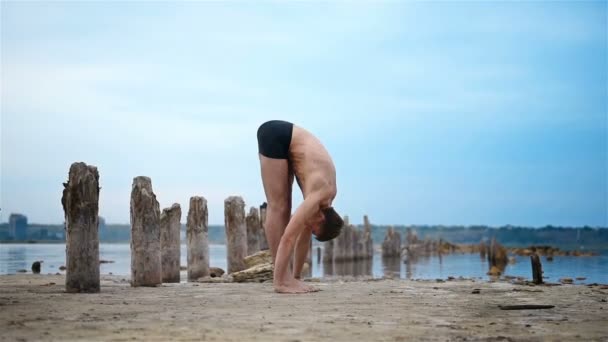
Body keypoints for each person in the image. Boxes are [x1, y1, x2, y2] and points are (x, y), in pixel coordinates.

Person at [257, 120, 343, 294]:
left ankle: (289, 278)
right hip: (278, 135)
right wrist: (284, 280)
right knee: (279, 206)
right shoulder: (319, 195)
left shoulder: (322, 203)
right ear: (322, 218)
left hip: (287, 141)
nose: (310, 229)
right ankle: (280, 280)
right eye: (314, 229)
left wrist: (297, 278)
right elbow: (289, 238)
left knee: (284, 206)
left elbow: (303, 238)